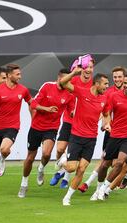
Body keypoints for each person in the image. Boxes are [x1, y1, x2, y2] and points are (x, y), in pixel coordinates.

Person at [17, 69, 74, 198]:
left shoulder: (69, 95)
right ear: (59, 78)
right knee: (30, 157)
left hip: (52, 128)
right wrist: (46, 109)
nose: (67, 82)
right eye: (65, 79)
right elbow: (33, 104)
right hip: (36, 127)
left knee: (47, 153)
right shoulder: (47, 86)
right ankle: (24, 184)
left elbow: (72, 112)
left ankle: (41, 168)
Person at [57, 68, 109, 206]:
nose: (107, 87)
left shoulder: (105, 99)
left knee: (82, 169)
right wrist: (74, 73)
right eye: (105, 84)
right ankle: (63, 161)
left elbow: (106, 114)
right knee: (71, 168)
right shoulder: (81, 91)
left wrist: (106, 124)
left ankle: (67, 197)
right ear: (97, 84)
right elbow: (62, 83)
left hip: (91, 139)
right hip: (76, 136)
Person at [92, 73, 127, 201]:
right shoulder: (113, 96)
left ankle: (104, 189)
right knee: (105, 164)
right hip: (115, 135)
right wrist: (105, 124)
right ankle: (98, 188)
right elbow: (107, 113)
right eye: (125, 83)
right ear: (123, 83)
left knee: (119, 162)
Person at [0, 64, 32, 192]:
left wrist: (37, 115)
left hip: (12, 126)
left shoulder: (23, 90)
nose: (20, 77)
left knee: (4, 149)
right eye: (17, 74)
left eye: (20, 74)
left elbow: (32, 103)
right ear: (9, 75)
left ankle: (3, 158)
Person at [78, 66, 126, 193]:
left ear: (124, 77)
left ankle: (124, 176)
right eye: (115, 77)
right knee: (105, 159)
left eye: (120, 77)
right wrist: (104, 123)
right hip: (112, 132)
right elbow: (105, 112)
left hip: (125, 133)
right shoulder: (107, 92)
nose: (117, 79)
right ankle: (90, 183)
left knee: (115, 162)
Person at [49, 55, 94, 188]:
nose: (88, 70)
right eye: (86, 67)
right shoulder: (73, 80)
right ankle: (61, 166)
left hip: (83, 125)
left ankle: (65, 178)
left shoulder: (95, 84)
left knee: (76, 156)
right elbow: (61, 83)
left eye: (91, 67)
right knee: (60, 149)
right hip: (69, 120)